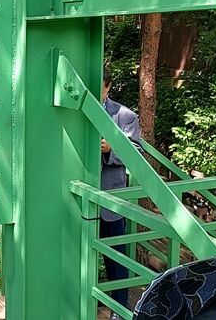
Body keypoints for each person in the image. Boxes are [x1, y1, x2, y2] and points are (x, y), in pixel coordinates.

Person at [100, 69, 141, 320]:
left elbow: (136, 152)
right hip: (77, 198)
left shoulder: (124, 115)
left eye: (101, 87)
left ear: (109, 86)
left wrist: (110, 149)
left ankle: (119, 309)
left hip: (110, 200)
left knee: (117, 258)